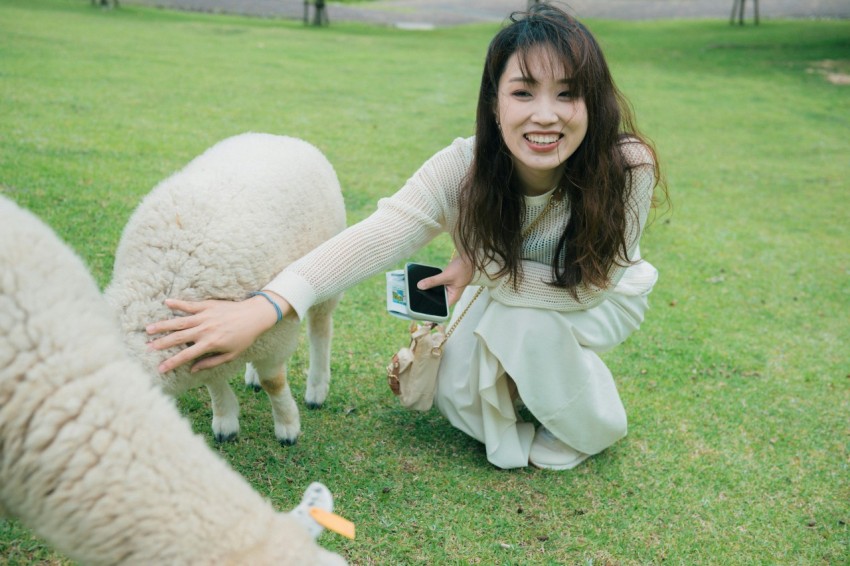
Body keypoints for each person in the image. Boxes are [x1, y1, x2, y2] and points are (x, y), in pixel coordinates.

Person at [146, 3, 665, 471]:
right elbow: (380, 234)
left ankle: (596, 423)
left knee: (522, 324)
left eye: (567, 94)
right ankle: (527, 387)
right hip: (503, 284)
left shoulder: (627, 167)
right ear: (494, 103)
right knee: (453, 389)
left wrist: (479, 267)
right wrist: (265, 306)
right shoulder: (463, 166)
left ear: (592, 102)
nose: (545, 115)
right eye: (523, 92)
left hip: (602, 298)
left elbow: (588, 286)